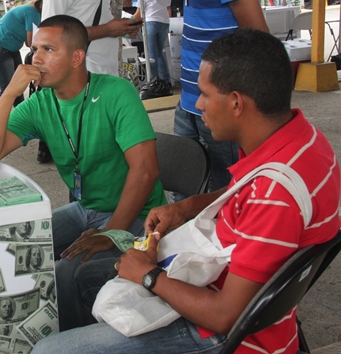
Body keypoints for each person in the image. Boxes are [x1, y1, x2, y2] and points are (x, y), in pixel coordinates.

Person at [33, 29, 341, 354]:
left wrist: (149, 276)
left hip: (231, 335)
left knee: (48, 351)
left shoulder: (274, 194)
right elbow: (243, 192)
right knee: (85, 277)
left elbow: (225, 316)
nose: (197, 104)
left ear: (236, 103)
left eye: (205, 94)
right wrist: (186, 207)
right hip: (222, 281)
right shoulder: (301, 141)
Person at [0, 15, 166, 331]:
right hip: (85, 208)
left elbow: (145, 171)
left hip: (137, 214)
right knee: (18, 247)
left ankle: (69, 340)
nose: (36, 59)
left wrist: (111, 232)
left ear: (77, 58)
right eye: (35, 49)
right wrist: (8, 93)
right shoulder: (40, 103)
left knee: (67, 272)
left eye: (48, 49)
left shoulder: (116, 92)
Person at [174, 0, 269, 196]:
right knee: (185, 195)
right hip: (192, 99)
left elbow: (256, 35)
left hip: (221, 102)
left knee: (225, 197)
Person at [0, 0, 43, 107]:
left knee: (18, 87)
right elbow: (30, 43)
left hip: (9, 49)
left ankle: (21, 116)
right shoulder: (33, 12)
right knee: (8, 89)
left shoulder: (31, 10)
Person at [135, 0, 172, 100]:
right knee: (159, 53)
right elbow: (168, 6)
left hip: (150, 22)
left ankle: (153, 83)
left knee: (151, 55)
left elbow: (138, 13)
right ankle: (166, 81)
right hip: (164, 23)